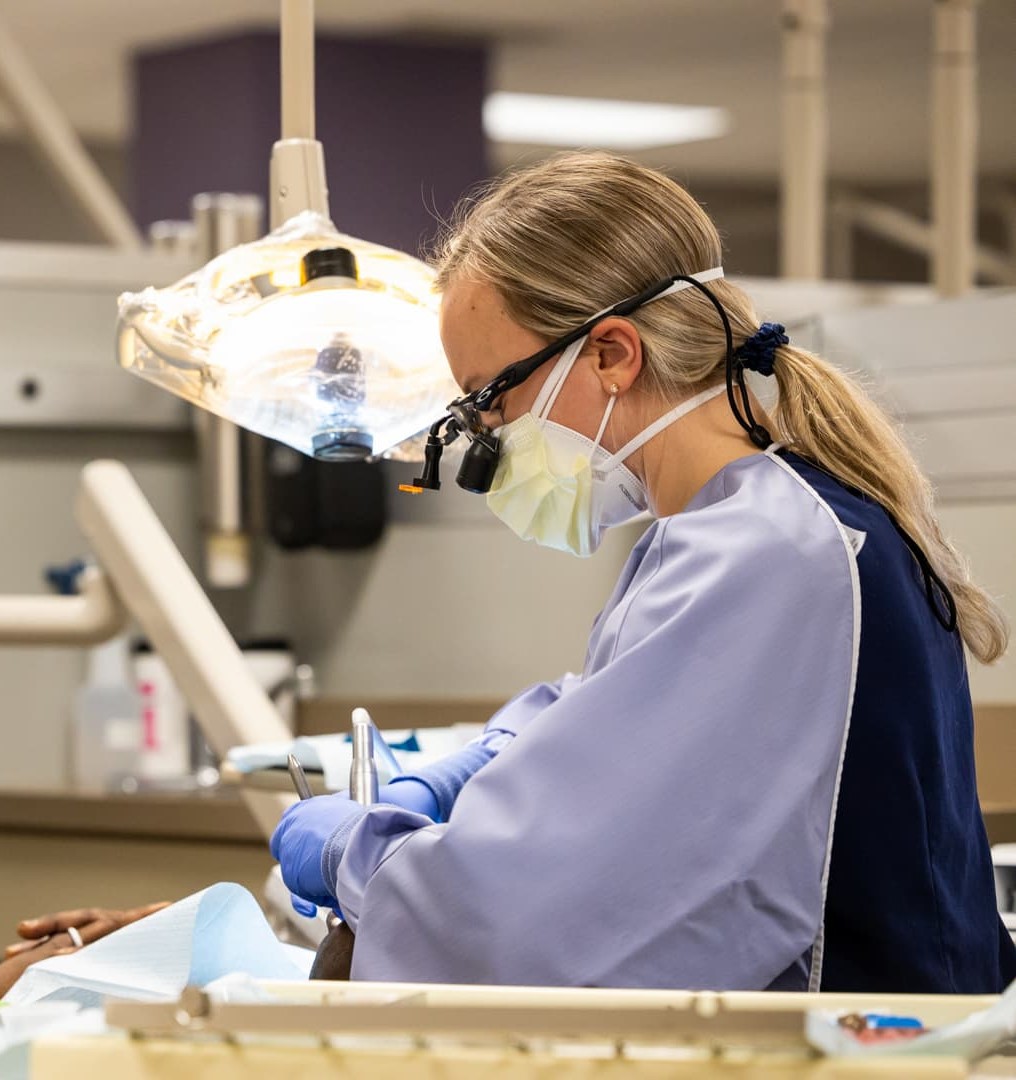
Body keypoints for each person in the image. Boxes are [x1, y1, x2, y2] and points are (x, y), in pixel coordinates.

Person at [271, 150, 1015, 993]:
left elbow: (538, 915)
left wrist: (351, 854)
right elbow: (626, 713)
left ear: (612, 355)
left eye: (492, 399)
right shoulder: (733, 524)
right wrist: (488, 760)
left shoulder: (771, 552)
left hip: (861, 1043)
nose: (486, 439)